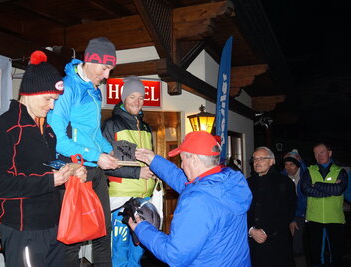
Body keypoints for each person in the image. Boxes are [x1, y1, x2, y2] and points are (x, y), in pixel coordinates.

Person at [0, 51, 86, 267]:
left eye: (55, 99)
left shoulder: (48, 131)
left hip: (55, 227)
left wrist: (70, 169)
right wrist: (49, 180)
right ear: (29, 93)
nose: (52, 105)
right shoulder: (5, 128)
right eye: (48, 98)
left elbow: (43, 168)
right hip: (23, 229)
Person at [47, 37, 119, 267]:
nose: (107, 75)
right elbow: (58, 141)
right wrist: (97, 156)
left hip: (95, 170)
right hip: (75, 170)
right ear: (90, 60)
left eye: (110, 69)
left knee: (103, 232)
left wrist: (111, 152)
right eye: (105, 68)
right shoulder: (67, 87)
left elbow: (95, 133)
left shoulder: (95, 90)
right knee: (73, 237)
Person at [131, 131, 253, 266]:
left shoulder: (197, 201)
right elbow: (182, 180)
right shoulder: (229, 182)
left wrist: (142, 229)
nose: (182, 165)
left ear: (194, 160)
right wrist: (154, 160)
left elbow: (175, 255)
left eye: (182, 160)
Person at [101, 75, 155, 267]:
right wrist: (138, 173)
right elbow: (106, 166)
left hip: (144, 199)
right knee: (119, 252)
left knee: (139, 250)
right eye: (132, 96)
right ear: (124, 97)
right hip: (121, 200)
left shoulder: (147, 128)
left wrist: (154, 170)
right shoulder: (111, 125)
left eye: (141, 97)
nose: (137, 102)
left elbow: (149, 159)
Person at [247, 146, 297, 267]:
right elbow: (242, 210)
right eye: (255, 159)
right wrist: (251, 230)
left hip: (277, 241)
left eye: (261, 158)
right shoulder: (247, 183)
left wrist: (265, 231)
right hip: (253, 242)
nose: (257, 162)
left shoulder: (285, 182)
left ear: (272, 161)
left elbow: (288, 211)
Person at [301, 142, 348, 267]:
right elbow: (305, 189)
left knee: (336, 254)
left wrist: (316, 185)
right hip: (314, 218)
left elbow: (339, 190)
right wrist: (330, 190)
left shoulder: (340, 171)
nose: (318, 155)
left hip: (335, 219)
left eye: (321, 152)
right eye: (316, 153)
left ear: (329, 153)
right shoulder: (309, 171)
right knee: (315, 254)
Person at [282, 149, 308, 257]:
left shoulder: (305, 177)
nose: (288, 167)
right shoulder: (283, 177)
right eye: (286, 164)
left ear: (297, 165)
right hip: (288, 214)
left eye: (291, 164)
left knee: (299, 243)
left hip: (303, 214)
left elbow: (304, 199)